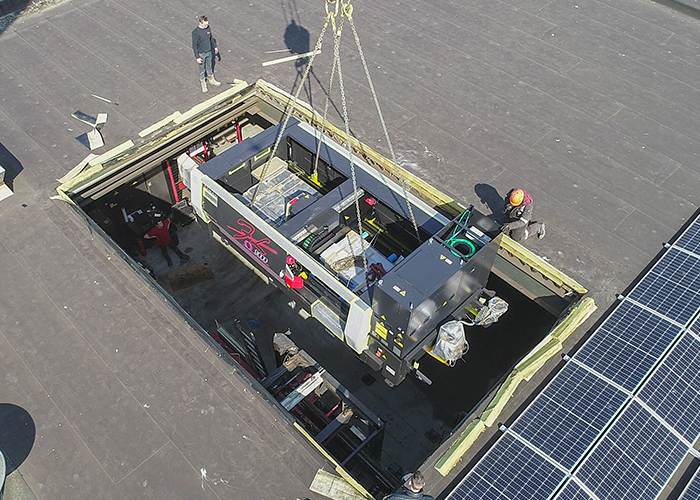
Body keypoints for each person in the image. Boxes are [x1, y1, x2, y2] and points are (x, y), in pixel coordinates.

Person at [191, 15, 221, 93]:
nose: (206, 26)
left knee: (209, 66)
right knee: (202, 70)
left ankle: (211, 79)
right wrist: (197, 57)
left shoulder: (208, 28)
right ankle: (203, 83)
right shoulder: (195, 33)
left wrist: (215, 47)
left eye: (207, 24)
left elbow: (211, 38)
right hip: (201, 54)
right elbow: (194, 46)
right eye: (205, 24)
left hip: (209, 52)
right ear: (200, 23)